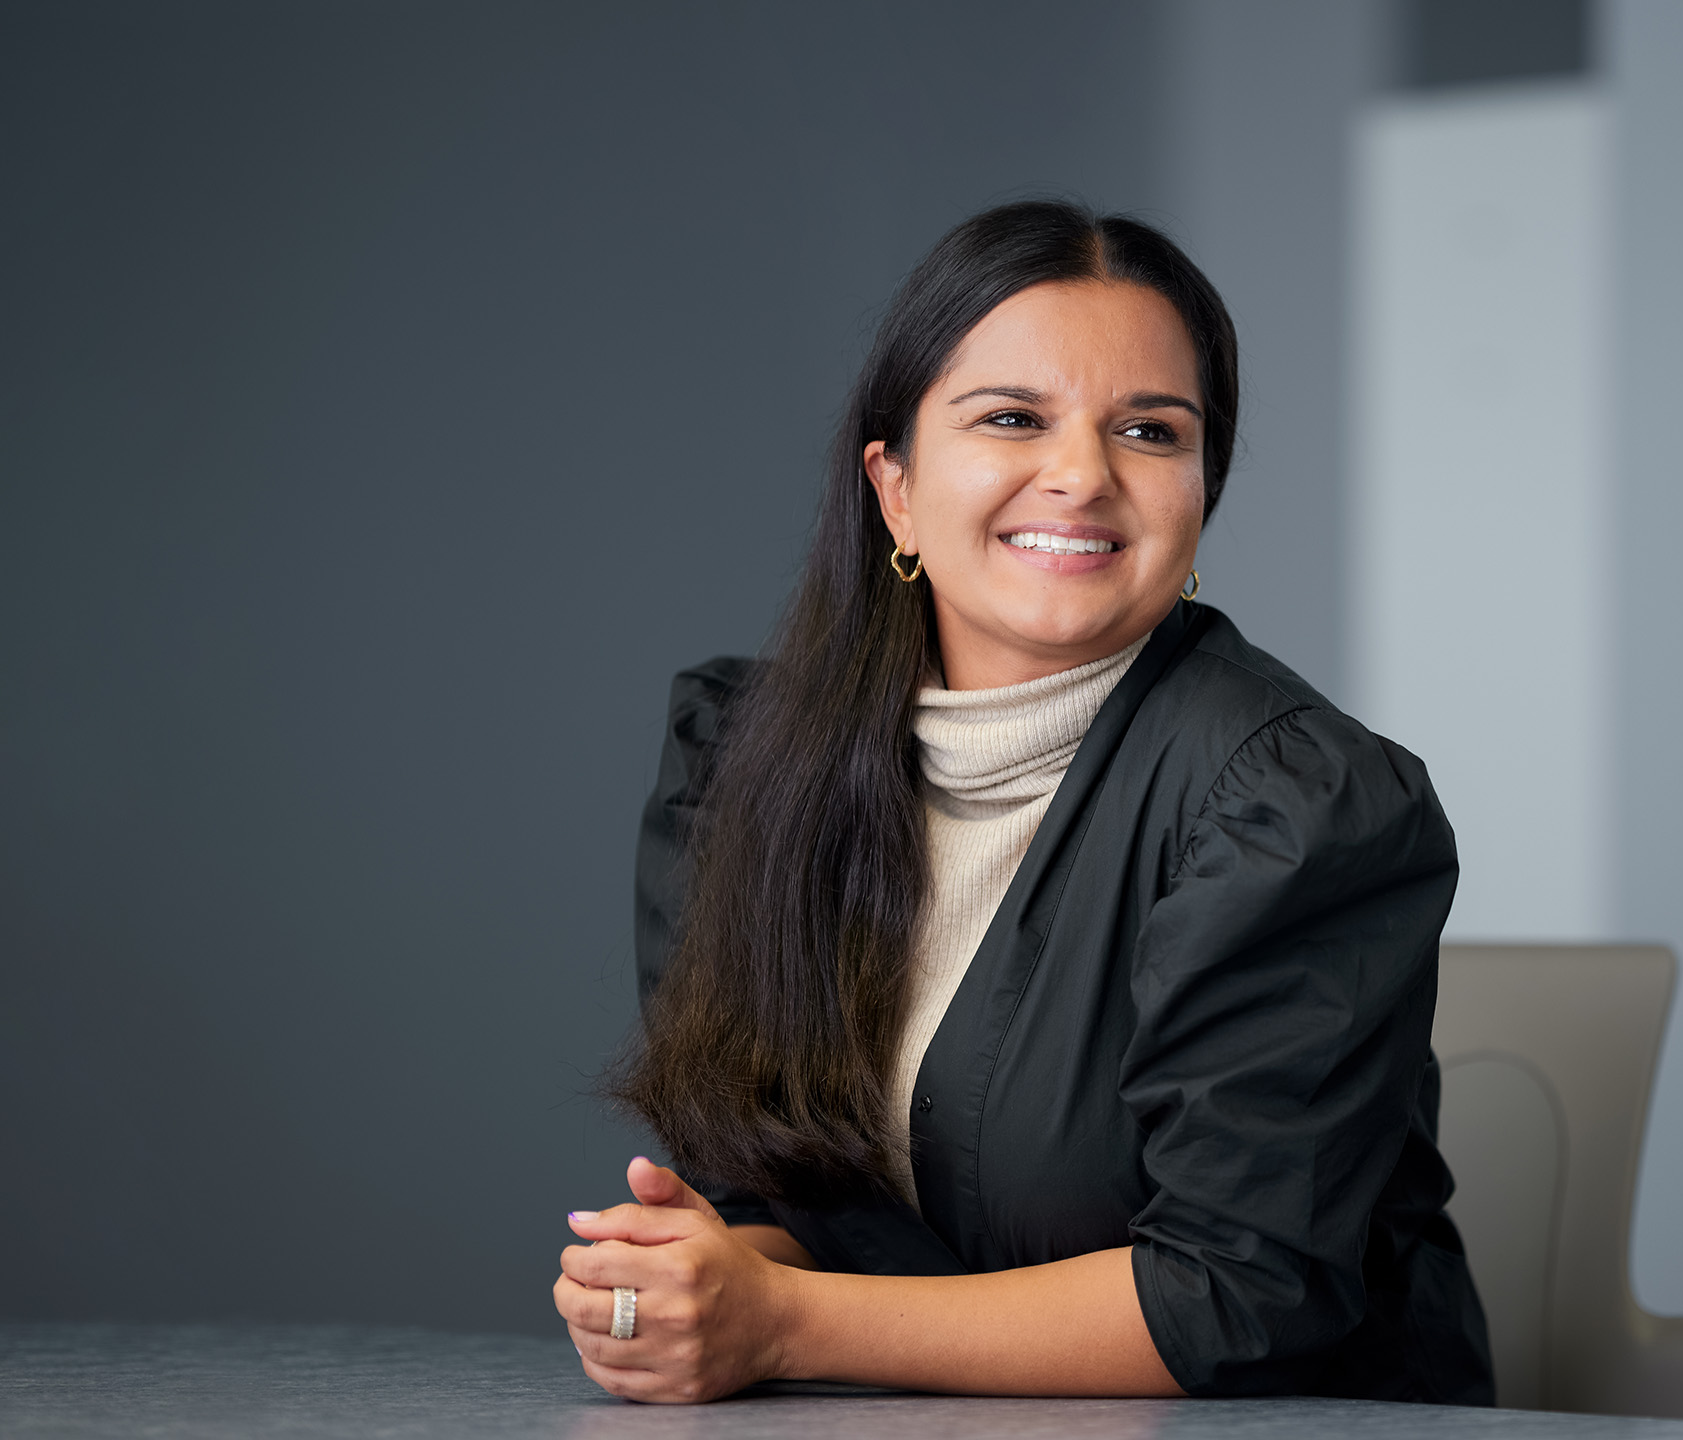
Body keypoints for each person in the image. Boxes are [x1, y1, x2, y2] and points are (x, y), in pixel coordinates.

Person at [555, 200, 1493, 1406]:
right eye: (1012, 418)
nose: (1083, 476)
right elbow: (771, 1204)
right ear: (895, 488)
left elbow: (1233, 1297)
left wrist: (780, 1322)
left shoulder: (1301, 805)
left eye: (1149, 431)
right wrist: (686, 1285)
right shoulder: (741, 768)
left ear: (1200, 490)